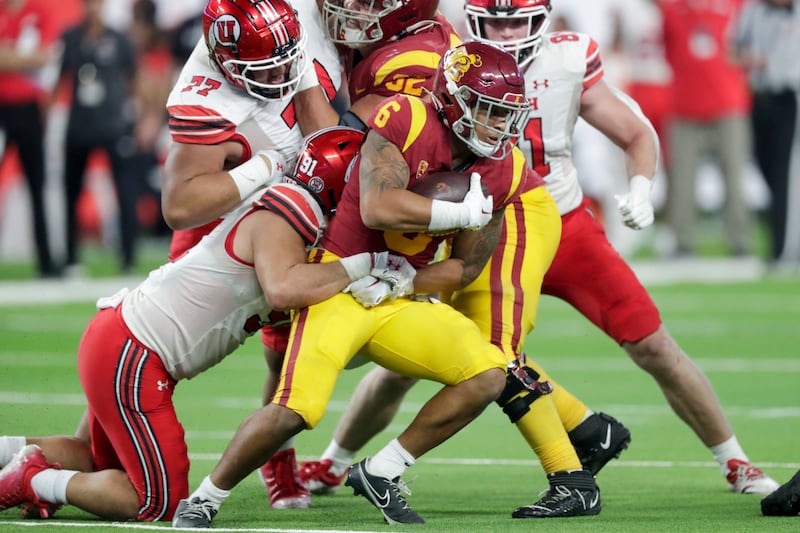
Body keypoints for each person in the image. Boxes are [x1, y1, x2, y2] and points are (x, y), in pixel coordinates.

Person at [301, 0, 781, 503]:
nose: (507, 33)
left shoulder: (566, 58)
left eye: (518, 21)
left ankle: (729, 462)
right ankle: (337, 462)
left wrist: (640, 188)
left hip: (550, 213)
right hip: (482, 217)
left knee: (645, 342)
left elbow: (635, 131)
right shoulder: (451, 56)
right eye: (495, 21)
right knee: (428, 356)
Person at [171, 40, 539, 528]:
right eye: (487, 109)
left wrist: (406, 281)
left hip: (396, 291)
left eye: (505, 113)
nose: (497, 125)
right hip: (340, 280)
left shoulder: (505, 166)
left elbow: (465, 269)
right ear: (452, 99)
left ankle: (382, 471)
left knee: (488, 375)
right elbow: (378, 207)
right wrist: (455, 212)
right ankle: (206, 497)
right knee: (296, 408)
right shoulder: (406, 117)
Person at [300, 0, 619, 519]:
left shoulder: (418, 76)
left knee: (491, 348)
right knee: (409, 364)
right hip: (449, 209)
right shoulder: (368, 58)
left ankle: (571, 476)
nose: (355, 12)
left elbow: (457, 252)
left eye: (370, 5)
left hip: (508, 207)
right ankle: (586, 427)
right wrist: (404, 279)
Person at [0, 126, 402, 522]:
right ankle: (33, 481)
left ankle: (9, 454)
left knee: (93, 458)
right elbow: (283, 290)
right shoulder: (288, 212)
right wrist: (363, 266)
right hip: (136, 353)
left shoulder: (295, 211)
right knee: (156, 502)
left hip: (123, 341)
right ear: (338, 184)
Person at [161, 0, 344, 510]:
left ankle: (276, 460)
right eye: (268, 68)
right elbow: (179, 206)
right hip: (219, 228)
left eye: (289, 58)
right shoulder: (206, 98)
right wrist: (263, 165)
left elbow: (321, 130)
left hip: (284, 215)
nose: (283, 72)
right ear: (226, 62)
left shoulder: (297, 21)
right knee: (158, 354)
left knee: (284, 350)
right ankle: (87, 447)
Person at [660, 0, 754, 257]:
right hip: (684, 107)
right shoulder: (673, 10)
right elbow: (669, 52)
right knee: (682, 180)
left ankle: (740, 242)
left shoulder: (736, 6)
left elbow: (748, 46)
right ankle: (683, 243)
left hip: (728, 105)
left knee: (735, 177)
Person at [57, 0, 141, 276]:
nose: (92, 8)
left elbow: (133, 80)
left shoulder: (118, 39)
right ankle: (71, 258)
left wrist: (136, 118)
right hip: (79, 126)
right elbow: (59, 79)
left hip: (113, 125)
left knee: (125, 191)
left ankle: (128, 258)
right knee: (71, 192)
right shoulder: (70, 38)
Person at [732, 0, 800, 266]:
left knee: (786, 175)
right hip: (760, 95)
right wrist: (750, 60)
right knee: (767, 170)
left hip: (790, 96)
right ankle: (781, 241)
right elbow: (731, 50)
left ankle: (783, 249)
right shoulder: (752, 12)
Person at [0, 0, 61, 278]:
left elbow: (44, 56)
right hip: (3, 108)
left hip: (28, 109)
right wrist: (23, 58)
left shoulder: (37, 12)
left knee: (37, 186)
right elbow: (32, 58)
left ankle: (45, 261)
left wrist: (9, 57)